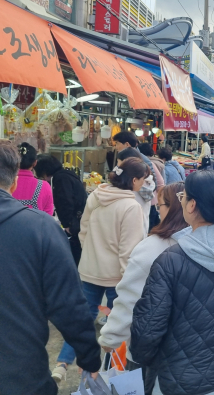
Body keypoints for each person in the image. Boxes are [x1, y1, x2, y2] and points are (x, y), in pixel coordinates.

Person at [130, 171, 214, 395]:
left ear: (192, 205)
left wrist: (143, 358)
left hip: (182, 379)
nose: (182, 200)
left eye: (183, 196)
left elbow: (148, 329)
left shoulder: (171, 259)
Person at [0, 142, 101, 395]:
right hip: (21, 374)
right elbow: (67, 304)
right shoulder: (42, 228)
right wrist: (89, 358)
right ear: (13, 184)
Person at [53, 158, 148, 382]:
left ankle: (62, 363)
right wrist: (129, 281)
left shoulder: (96, 195)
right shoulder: (131, 206)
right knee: (119, 326)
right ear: (134, 180)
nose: (144, 184)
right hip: (116, 276)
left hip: (89, 268)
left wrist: (93, 253)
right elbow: (128, 250)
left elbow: (82, 231)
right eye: (143, 179)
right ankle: (115, 376)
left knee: (82, 320)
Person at [99, 182, 189, 395]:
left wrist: (111, 338)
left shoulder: (152, 248)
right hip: (188, 351)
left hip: (147, 348)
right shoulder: (200, 245)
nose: (158, 211)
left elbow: (131, 300)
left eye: (161, 206)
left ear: (175, 208)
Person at [34, 154, 88, 266]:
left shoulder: (60, 179)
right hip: (80, 221)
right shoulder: (66, 174)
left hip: (75, 224)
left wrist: (68, 225)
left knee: (74, 257)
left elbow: (65, 202)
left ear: (44, 170)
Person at [117, 148, 157, 234]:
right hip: (142, 228)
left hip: (130, 229)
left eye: (119, 162)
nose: (118, 167)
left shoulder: (132, 185)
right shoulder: (147, 181)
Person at [12, 142, 54, 215]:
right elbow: (48, 216)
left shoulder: (5, 183)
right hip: (36, 226)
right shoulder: (44, 186)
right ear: (35, 163)